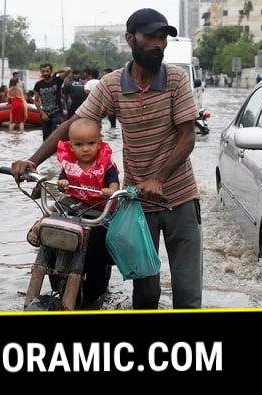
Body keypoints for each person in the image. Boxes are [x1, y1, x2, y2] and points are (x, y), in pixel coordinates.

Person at [12, 8, 202, 310]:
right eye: (150, 36)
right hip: (137, 200)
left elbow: (187, 137)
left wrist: (159, 177)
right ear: (130, 39)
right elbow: (72, 124)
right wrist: (32, 161)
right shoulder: (113, 84)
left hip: (179, 196)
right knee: (145, 293)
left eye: (163, 37)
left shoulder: (176, 80)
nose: (158, 44)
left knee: (188, 295)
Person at [27, 119, 120, 308]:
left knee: (101, 242)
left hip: (98, 209)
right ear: (71, 146)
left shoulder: (106, 164)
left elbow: (114, 182)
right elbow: (63, 179)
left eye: (91, 144)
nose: (85, 149)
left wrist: (111, 190)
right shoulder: (70, 163)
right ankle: (38, 228)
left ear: (99, 143)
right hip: (73, 204)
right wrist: (62, 183)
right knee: (54, 211)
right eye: (79, 145)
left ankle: (94, 294)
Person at [34, 63, 72, 141]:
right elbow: (36, 100)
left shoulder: (57, 80)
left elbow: (68, 69)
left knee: (55, 135)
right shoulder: (38, 84)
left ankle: (57, 151)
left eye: (47, 71)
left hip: (57, 113)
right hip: (45, 114)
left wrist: (56, 72)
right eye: (43, 71)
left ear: (51, 71)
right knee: (45, 138)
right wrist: (42, 113)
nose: (45, 73)